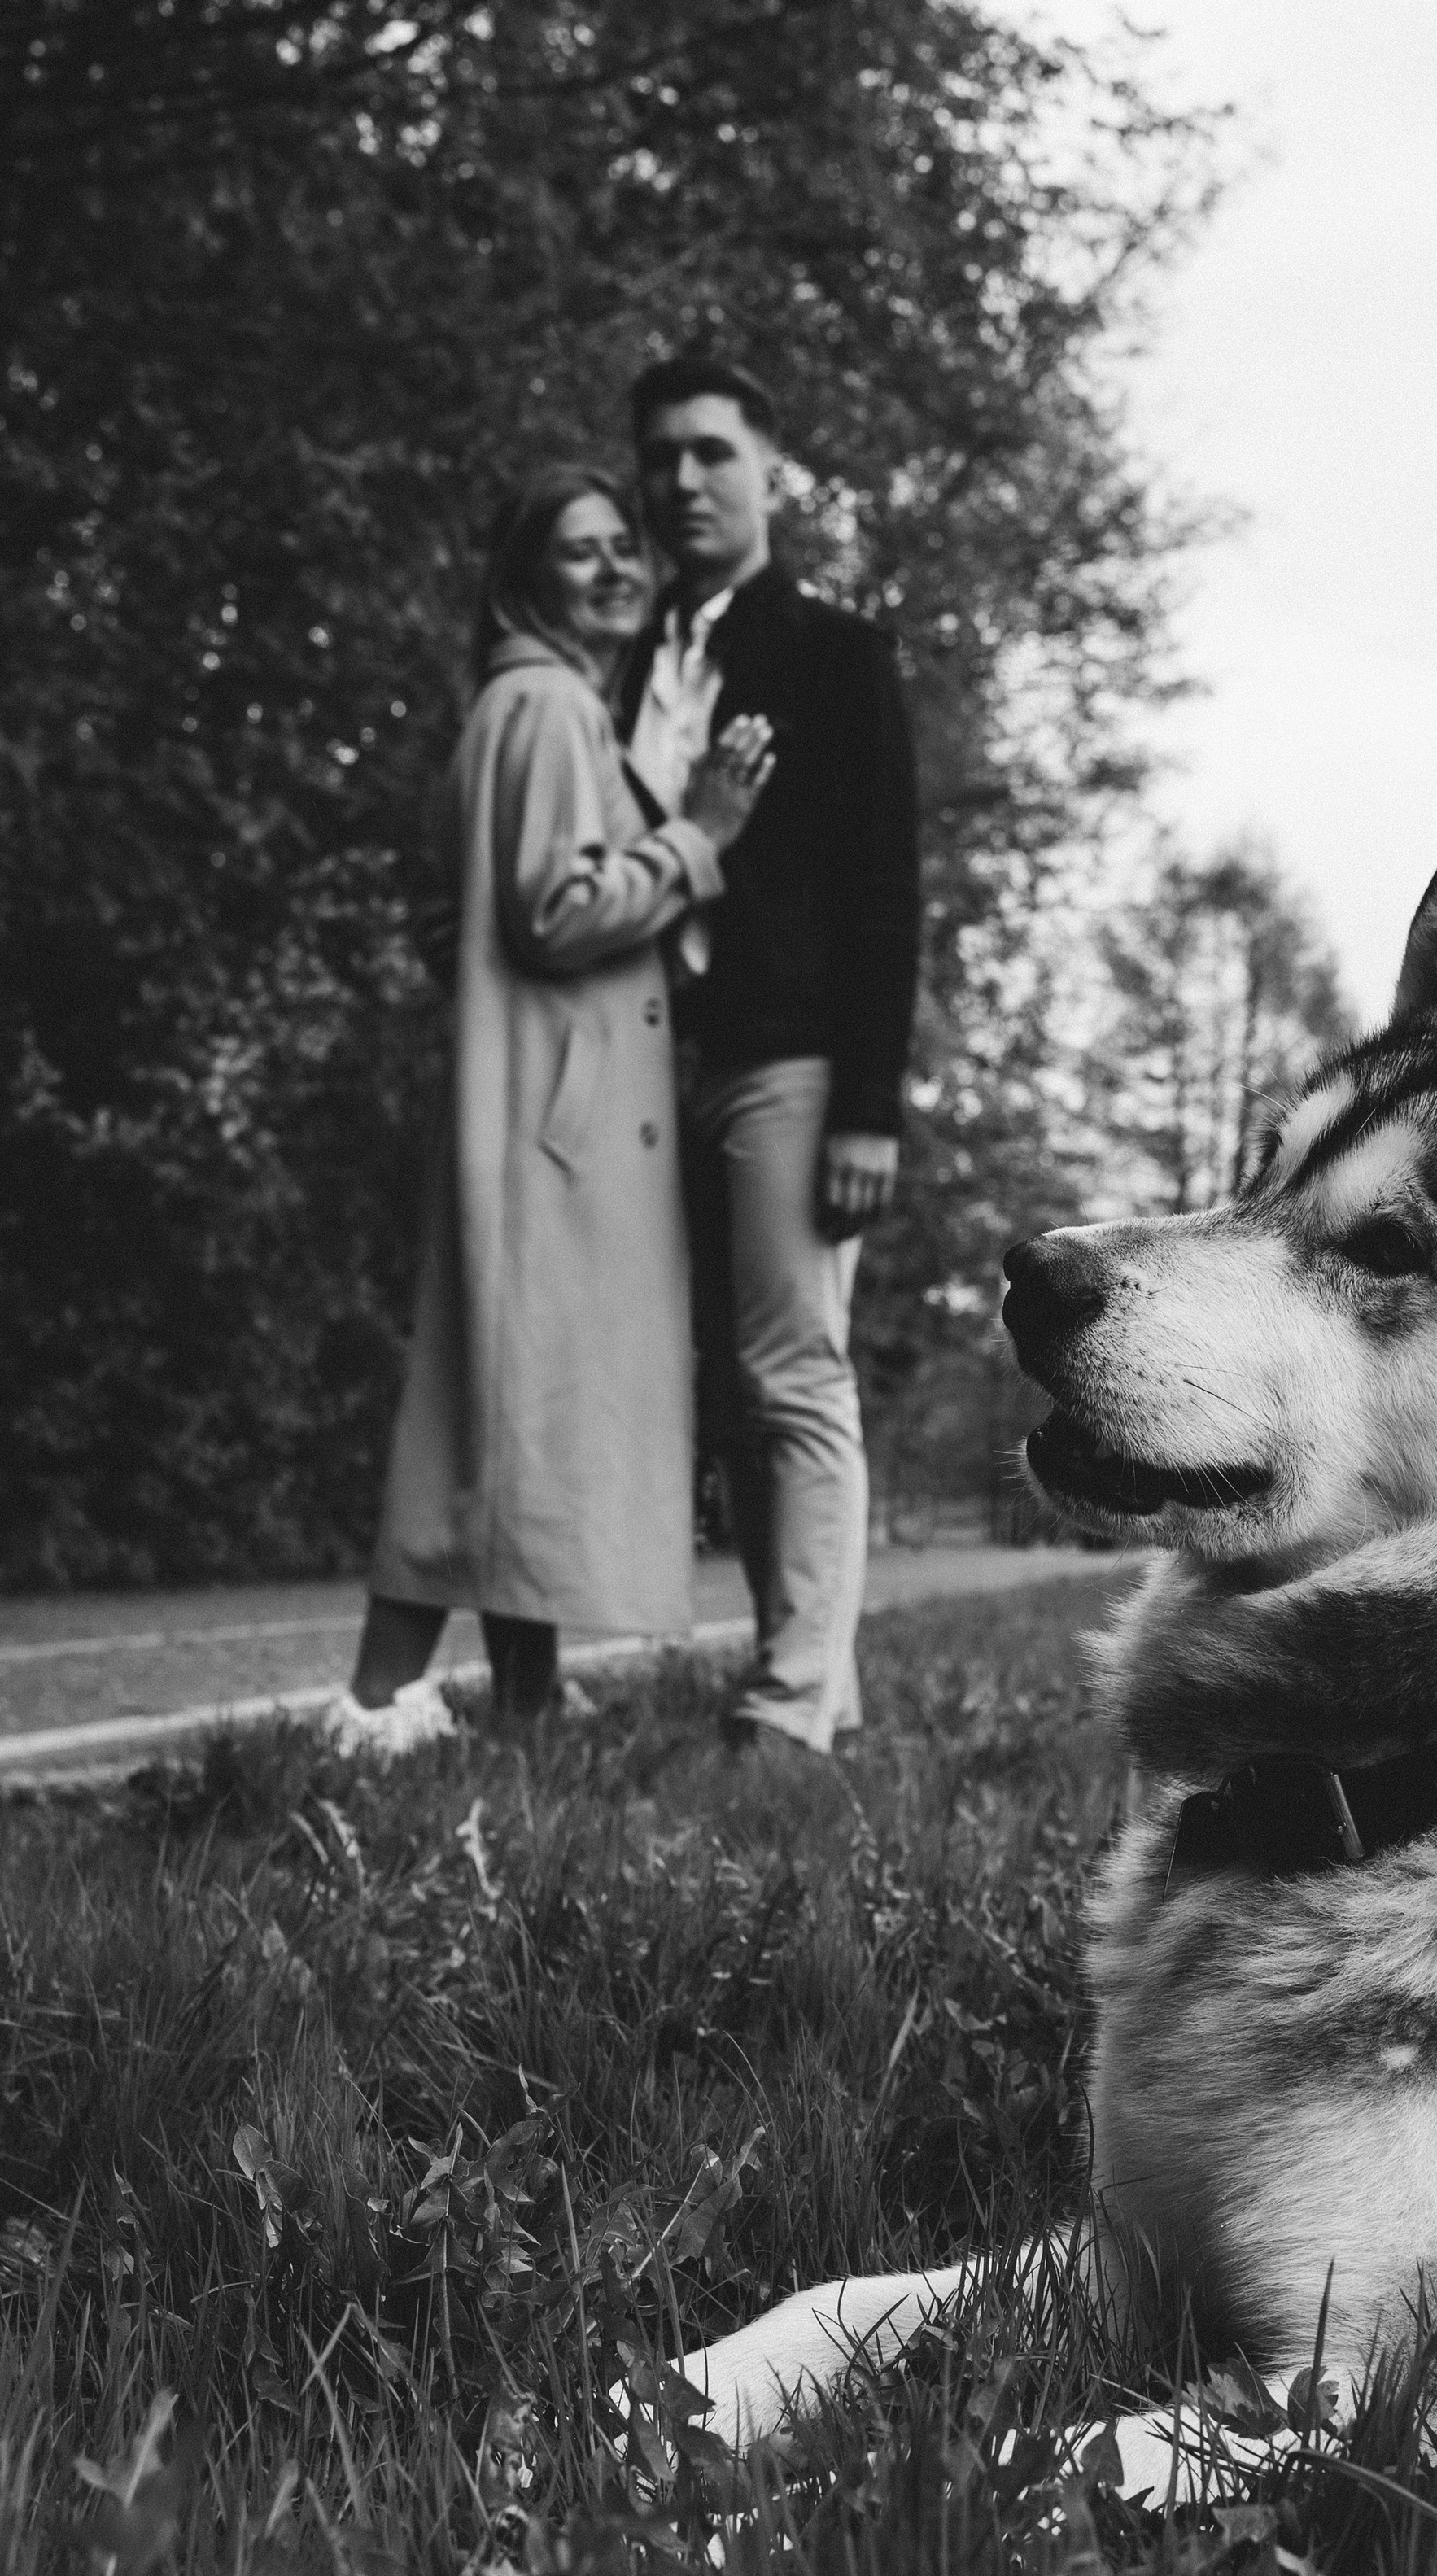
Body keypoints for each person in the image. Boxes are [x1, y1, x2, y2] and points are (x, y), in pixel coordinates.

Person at [326, 465, 773, 1757]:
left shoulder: (526, 705)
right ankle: (369, 1709)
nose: (617, 568)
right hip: (550, 1131)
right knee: (489, 1413)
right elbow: (558, 908)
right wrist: (700, 836)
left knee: (515, 1408)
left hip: (535, 1114)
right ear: (527, 578)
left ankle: (521, 1702)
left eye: (623, 547)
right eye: (581, 553)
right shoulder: (548, 709)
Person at [626, 351, 921, 1757]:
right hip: (649, 1070)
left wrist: (872, 1103)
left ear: (766, 472)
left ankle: (792, 1707)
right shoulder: (629, 661)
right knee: (737, 1398)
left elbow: (887, 888)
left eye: (712, 454)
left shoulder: (836, 654)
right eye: (663, 458)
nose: (684, 481)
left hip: (795, 1066)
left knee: (797, 1371)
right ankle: (809, 1677)